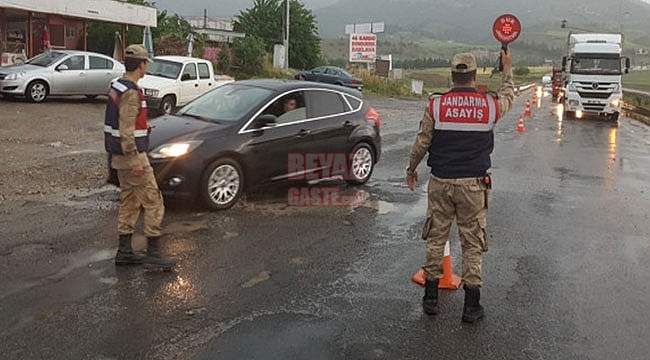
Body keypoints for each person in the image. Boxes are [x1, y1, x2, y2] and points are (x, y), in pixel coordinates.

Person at [405, 49, 514, 323]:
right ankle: (471, 306)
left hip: (441, 183)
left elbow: (422, 142)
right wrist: (508, 68)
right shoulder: (489, 105)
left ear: (452, 76)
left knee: (435, 239)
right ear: (475, 76)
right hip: (474, 186)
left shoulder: (436, 105)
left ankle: (430, 300)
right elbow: (509, 95)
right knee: (472, 242)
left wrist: (411, 169)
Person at [104, 44, 178, 270]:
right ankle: (154, 254)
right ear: (142, 65)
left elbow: (122, 124)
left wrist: (144, 130)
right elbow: (126, 128)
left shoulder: (118, 86)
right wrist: (135, 158)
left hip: (119, 156)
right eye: (146, 63)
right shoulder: (131, 92)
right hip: (132, 157)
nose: (147, 67)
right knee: (154, 202)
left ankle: (125, 251)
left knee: (130, 201)